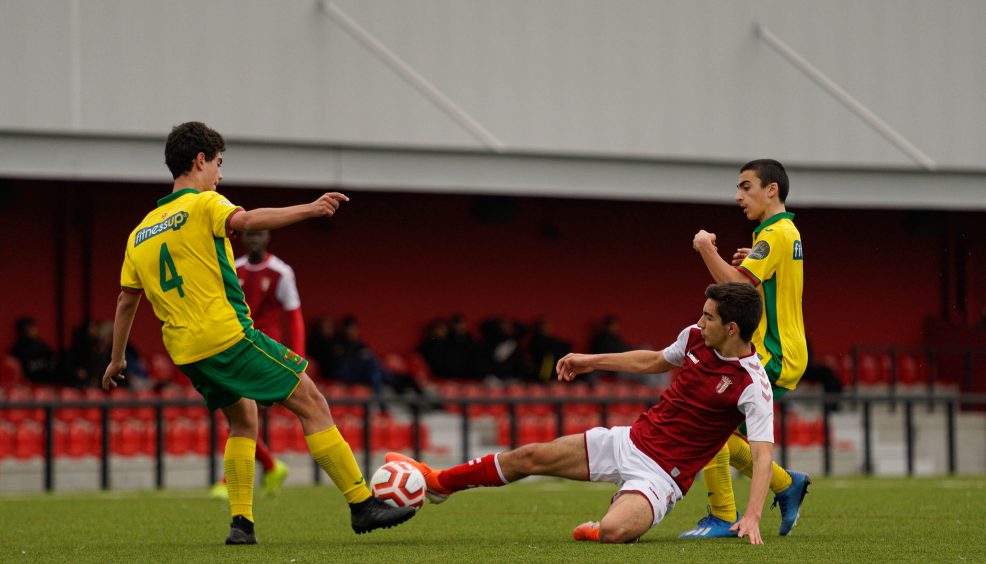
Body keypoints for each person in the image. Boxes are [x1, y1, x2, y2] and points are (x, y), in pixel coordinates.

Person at [101, 121, 414, 545]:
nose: (220, 174)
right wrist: (311, 208)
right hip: (227, 336)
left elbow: (126, 301)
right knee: (312, 401)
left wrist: (117, 358)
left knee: (243, 421)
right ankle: (362, 504)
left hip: (187, 352)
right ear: (200, 160)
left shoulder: (139, 234)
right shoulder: (204, 204)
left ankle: (241, 525)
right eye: (218, 163)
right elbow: (246, 221)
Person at [388, 283, 776, 544]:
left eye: (709, 316)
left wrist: (753, 514)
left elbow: (761, 455)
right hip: (630, 440)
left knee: (612, 532)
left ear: (731, 328)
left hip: (663, 477)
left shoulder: (752, 384)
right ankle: (438, 482)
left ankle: (614, 513)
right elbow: (654, 360)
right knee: (529, 456)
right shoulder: (695, 336)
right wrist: (591, 361)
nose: (700, 319)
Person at [689, 158, 810, 537]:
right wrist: (751, 271)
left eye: (746, 187)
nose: (739, 195)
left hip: (774, 353)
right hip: (783, 351)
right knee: (719, 430)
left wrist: (705, 248)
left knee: (707, 422)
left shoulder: (774, 235)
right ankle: (785, 485)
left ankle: (724, 516)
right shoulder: (779, 232)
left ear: (771, 189)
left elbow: (736, 291)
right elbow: (758, 289)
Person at [209, 230, 300, 500]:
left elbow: (294, 317)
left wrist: (297, 358)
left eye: (259, 234)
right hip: (236, 351)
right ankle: (271, 466)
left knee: (239, 417)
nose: (253, 240)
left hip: (264, 355)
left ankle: (229, 481)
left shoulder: (280, 271)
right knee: (237, 416)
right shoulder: (233, 268)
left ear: (268, 237)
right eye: (249, 235)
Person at [10, 317, 56, 385]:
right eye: (29, 328)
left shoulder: (42, 346)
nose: (34, 330)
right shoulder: (17, 350)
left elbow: (53, 361)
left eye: (33, 328)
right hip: (28, 386)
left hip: (48, 383)